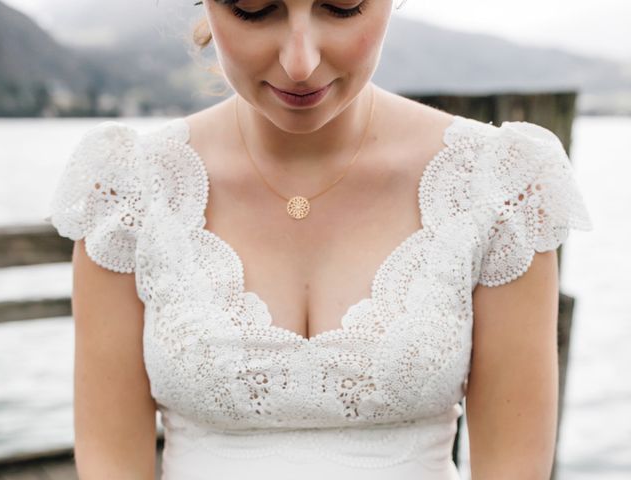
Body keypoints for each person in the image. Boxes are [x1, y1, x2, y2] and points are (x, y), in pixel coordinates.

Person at [45, 0, 594, 478]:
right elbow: (112, 465)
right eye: (256, 9)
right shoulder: (126, 188)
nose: (300, 63)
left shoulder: (499, 182)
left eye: (343, 5)